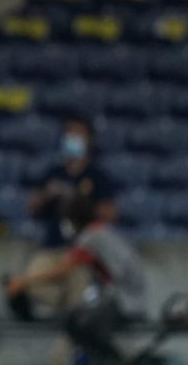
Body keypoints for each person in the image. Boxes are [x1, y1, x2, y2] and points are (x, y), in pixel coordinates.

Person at [6, 193, 147, 365]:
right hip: (124, 296)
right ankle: (111, 363)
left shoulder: (91, 237)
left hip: (123, 299)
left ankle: (115, 363)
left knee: (80, 323)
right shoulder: (101, 231)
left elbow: (63, 270)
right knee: (78, 320)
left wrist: (23, 281)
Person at [17, 115, 117, 318]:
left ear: (89, 140)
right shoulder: (54, 173)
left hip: (82, 250)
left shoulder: (96, 176)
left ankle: (71, 324)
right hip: (52, 246)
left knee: (79, 303)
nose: (72, 138)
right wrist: (48, 194)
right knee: (31, 284)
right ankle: (63, 306)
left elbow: (110, 214)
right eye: (69, 134)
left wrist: (78, 200)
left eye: (78, 134)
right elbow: (32, 207)